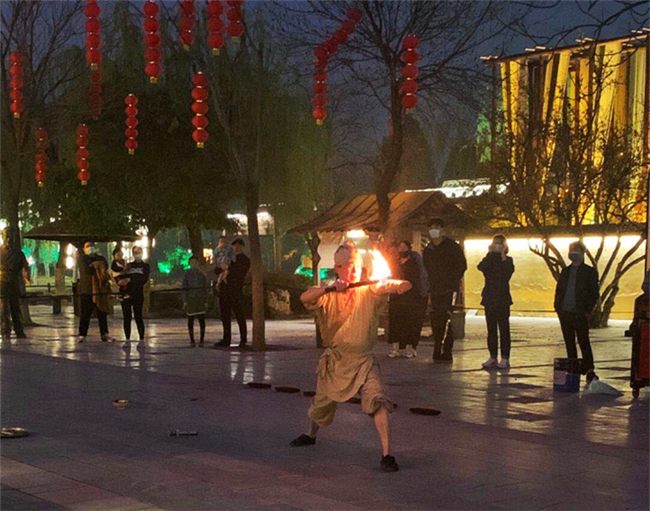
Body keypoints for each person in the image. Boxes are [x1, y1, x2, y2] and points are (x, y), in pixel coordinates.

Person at [290, 245, 412, 473]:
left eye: (357, 265)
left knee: (377, 399)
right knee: (321, 404)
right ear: (338, 268)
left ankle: (387, 454)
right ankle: (311, 434)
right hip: (336, 360)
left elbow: (385, 285)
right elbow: (305, 297)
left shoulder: (368, 290)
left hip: (363, 360)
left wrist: (399, 284)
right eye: (348, 266)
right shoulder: (328, 294)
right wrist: (329, 289)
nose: (354, 270)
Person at [554, 241, 600, 384]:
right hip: (565, 312)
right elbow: (559, 290)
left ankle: (589, 369)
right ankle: (573, 368)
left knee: (583, 341)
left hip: (580, 313)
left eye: (575, 250)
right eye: (571, 250)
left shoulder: (589, 272)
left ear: (582, 252)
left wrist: (587, 310)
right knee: (569, 342)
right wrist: (558, 307)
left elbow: (594, 293)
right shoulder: (566, 271)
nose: (572, 253)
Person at [422, 218, 467, 362]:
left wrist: (452, 280)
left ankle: (447, 350)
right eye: (431, 228)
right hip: (435, 289)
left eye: (436, 227)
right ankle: (437, 348)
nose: (433, 230)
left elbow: (461, 265)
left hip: (449, 289)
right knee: (436, 318)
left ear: (442, 230)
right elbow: (426, 269)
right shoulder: (428, 250)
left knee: (447, 318)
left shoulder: (452, 247)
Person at [478, 235, 515, 369]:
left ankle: (505, 357)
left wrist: (502, 254)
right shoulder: (489, 260)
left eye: (500, 243)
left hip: (503, 299)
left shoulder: (508, 260)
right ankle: (492, 356)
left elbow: (508, 271)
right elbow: (481, 267)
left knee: (504, 329)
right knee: (491, 329)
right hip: (489, 298)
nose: (497, 245)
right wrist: (490, 253)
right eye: (495, 243)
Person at [388, 241, 428, 358]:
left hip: (411, 297)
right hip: (396, 297)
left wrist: (407, 287)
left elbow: (418, 278)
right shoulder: (394, 263)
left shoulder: (415, 263)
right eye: (400, 247)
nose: (402, 249)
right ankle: (396, 348)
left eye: (404, 247)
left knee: (410, 321)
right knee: (396, 321)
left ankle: (410, 348)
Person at [215, 238, 250, 349]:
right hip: (224, 291)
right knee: (225, 316)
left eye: (239, 245)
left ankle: (243, 339)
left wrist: (227, 270)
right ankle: (226, 339)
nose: (237, 247)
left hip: (235, 291)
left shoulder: (244, 259)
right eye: (235, 245)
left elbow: (239, 273)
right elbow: (217, 269)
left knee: (239, 315)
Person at [77, 241, 111, 343]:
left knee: (102, 313)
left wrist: (96, 265)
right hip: (87, 290)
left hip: (100, 290)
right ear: (84, 249)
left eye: (91, 246)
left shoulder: (100, 258)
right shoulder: (82, 259)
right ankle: (82, 334)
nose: (90, 248)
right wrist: (95, 265)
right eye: (87, 246)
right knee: (85, 313)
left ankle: (104, 333)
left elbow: (105, 266)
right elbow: (87, 270)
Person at [118, 246, 150, 350]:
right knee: (126, 317)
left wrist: (131, 279)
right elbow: (122, 278)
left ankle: (141, 339)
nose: (137, 254)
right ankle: (127, 339)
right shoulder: (129, 266)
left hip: (138, 294)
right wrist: (124, 274)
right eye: (135, 252)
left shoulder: (145, 266)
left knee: (138, 316)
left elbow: (143, 279)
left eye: (139, 252)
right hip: (127, 294)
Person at [0, 227, 30, 339]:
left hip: (13, 282)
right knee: (3, 310)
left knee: (15, 309)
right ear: (2, 236)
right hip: (2, 283)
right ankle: (5, 331)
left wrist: (26, 278)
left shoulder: (18, 254)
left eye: (10, 236)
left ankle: (19, 330)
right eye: (6, 236)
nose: (8, 239)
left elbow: (25, 267)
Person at [182, 255, 208, 347]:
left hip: (200, 298)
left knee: (202, 319)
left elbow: (205, 288)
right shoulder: (187, 275)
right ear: (189, 264)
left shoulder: (202, 275)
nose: (194, 264)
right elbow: (184, 288)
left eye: (195, 262)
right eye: (192, 263)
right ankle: (192, 339)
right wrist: (185, 300)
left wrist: (206, 301)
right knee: (190, 319)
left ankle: (202, 339)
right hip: (191, 298)